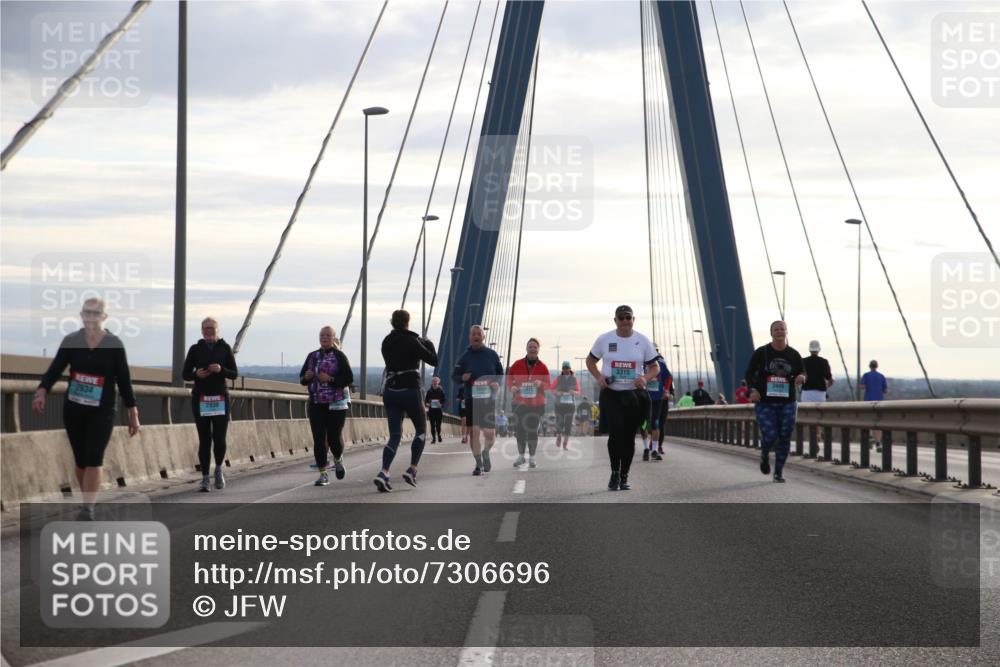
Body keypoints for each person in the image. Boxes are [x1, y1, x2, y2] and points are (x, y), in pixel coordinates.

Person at [33, 298, 141, 519]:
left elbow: (124, 380)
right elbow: (55, 370)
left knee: (94, 456)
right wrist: (42, 391)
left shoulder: (114, 344)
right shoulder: (71, 341)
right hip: (74, 408)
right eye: (87, 313)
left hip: (103, 410)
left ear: (104, 317)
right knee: (81, 459)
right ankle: (87, 500)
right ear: (81, 315)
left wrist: (133, 412)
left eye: (96, 313)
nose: (91, 316)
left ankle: (87, 507)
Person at [586, 305, 659, 491]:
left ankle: (625, 475)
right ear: (615, 320)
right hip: (612, 394)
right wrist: (599, 377)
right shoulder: (605, 339)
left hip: (634, 395)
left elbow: (655, 367)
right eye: (621, 318)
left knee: (628, 437)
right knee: (616, 433)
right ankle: (614, 473)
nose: (625, 321)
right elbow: (590, 360)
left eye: (628, 317)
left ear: (634, 319)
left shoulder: (643, 341)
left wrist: (644, 378)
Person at [374, 310, 439, 491]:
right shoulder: (413, 340)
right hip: (410, 389)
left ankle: (384, 472)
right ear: (407, 322)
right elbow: (434, 360)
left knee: (395, 435)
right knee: (421, 431)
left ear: (392, 322)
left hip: (391, 391)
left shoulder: (386, 341)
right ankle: (412, 469)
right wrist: (428, 343)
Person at [745, 320, 806, 482]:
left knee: (785, 435)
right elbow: (749, 374)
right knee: (771, 435)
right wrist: (752, 390)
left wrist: (801, 376)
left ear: (786, 332)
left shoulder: (794, 354)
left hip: (788, 402)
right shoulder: (762, 352)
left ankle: (778, 472)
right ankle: (764, 455)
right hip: (765, 401)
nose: (779, 331)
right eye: (776, 329)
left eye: (782, 329)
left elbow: (802, 371)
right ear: (771, 333)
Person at [183, 317, 239, 491]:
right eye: (205, 328)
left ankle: (219, 469)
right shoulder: (195, 349)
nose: (208, 331)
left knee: (219, 437)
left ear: (217, 330)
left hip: (220, 398)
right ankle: (205, 477)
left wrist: (221, 370)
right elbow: (185, 373)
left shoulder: (225, 348)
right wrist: (196, 375)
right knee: (204, 439)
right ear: (201, 331)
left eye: (211, 328)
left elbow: (234, 374)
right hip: (201, 399)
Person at [299, 326, 353, 487]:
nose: (324, 337)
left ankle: (338, 458)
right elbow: (302, 379)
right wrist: (307, 377)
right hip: (316, 403)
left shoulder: (339, 356)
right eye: (322, 335)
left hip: (335, 404)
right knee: (319, 439)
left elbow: (348, 378)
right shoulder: (312, 356)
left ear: (333, 338)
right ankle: (323, 474)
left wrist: (330, 379)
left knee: (334, 439)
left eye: (328, 335)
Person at [453, 325, 504, 475]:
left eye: (479, 334)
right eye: (473, 334)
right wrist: (462, 377)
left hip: (488, 400)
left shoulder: (492, 355)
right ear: (470, 337)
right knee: (474, 432)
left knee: (489, 434)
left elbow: (500, 374)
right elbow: (454, 376)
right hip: (471, 400)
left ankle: (486, 451)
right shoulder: (464, 357)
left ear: (483, 337)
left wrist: (497, 383)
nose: (476, 336)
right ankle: (478, 463)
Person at [507, 338, 551, 468]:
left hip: (536, 404)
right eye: (530, 347)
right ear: (526, 348)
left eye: (535, 347)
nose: (532, 349)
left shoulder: (543, 367)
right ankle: (521, 456)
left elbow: (549, 385)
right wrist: (511, 388)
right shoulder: (517, 364)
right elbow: (509, 379)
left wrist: (541, 384)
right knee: (519, 430)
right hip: (519, 403)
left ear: (538, 350)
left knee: (532, 430)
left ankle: (532, 457)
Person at [800, 339, 834, 444]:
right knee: (818, 415)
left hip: (807, 392)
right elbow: (829, 378)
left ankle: (814, 436)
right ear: (819, 350)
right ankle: (817, 434)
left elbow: (799, 376)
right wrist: (829, 384)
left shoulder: (803, 361)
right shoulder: (824, 362)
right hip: (820, 392)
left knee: (809, 416)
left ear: (809, 350)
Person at [642, 348, 671, 461]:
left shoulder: (661, 364)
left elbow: (668, 377)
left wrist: (666, 390)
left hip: (657, 398)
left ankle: (654, 450)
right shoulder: (641, 363)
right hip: (643, 397)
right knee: (643, 423)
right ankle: (645, 448)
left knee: (656, 423)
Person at [860, 359, 889, 451]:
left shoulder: (866, 375)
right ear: (877, 366)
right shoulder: (881, 376)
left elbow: (862, 387)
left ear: (870, 366)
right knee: (877, 423)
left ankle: (868, 438)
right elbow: (885, 391)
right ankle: (878, 443)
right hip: (879, 402)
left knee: (868, 420)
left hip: (868, 401)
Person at [551, 360, 579, 450]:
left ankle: (565, 443)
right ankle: (559, 436)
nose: (566, 370)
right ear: (562, 369)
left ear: (570, 369)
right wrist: (557, 393)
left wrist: (573, 392)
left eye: (567, 368)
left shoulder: (574, 379)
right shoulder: (558, 378)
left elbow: (578, 391)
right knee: (559, 422)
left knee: (568, 423)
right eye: (564, 368)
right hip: (559, 404)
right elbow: (552, 388)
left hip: (570, 404)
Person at [424, 376, 446, 443]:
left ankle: (439, 435)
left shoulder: (441, 391)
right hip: (431, 411)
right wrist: (427, 404)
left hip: (438, 410)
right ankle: (433, 438)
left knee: (438, 425)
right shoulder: (429, 391)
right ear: (432, 382)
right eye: (433, 381)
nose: (435, 382)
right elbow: (426, 401)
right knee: (432, 425)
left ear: (438, 382)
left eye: (436, 381)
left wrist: (441, 404)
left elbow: (444, 400)